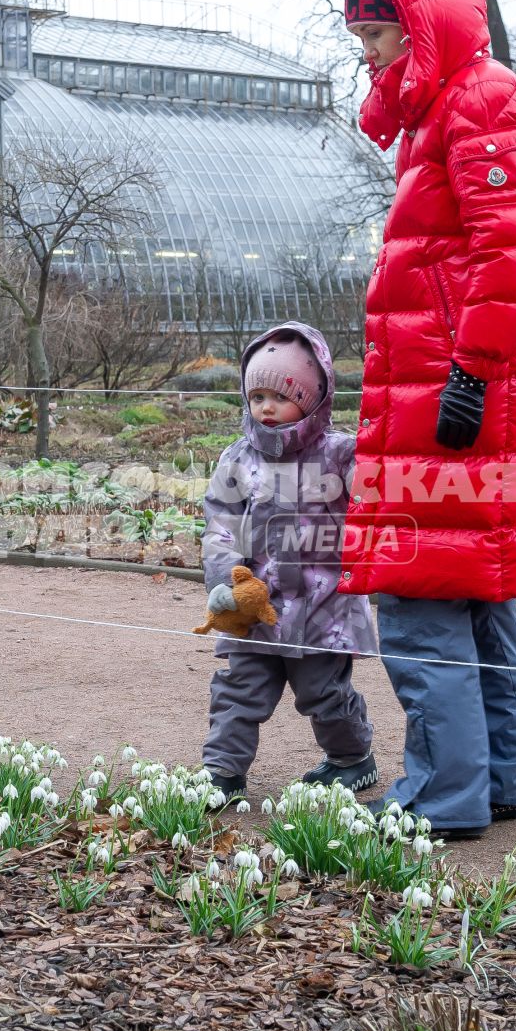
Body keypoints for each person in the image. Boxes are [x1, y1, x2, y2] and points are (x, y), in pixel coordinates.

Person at [317, 0, 516, 838]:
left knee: (420, 591)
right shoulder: (463, 104)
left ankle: (442, 793)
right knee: (473, 589)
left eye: (377, 36)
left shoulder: (477, 102)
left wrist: (469, 370)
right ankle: (510, 777)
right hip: (459, 382)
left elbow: (514, 249)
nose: (370, 54)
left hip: (455, 388)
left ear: (420, 23)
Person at [199, 322, 379, 804]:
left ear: (313, 396)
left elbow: (371, 495)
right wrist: (226, 582)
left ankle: (351, 758)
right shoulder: (238, 458)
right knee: (237, 690)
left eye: (280, 395)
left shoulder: (339, 455)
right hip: (252, 606)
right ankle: (222, 773)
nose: (266, 407)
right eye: (256, 396)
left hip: (323, 609)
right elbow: (220, 525)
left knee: (324, 695)